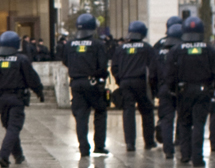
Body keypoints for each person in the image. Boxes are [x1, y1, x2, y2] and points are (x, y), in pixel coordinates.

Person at [166, 16, 215, 168]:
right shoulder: (209, 50)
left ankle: (185, 155)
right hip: (203, 91)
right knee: (199, 124)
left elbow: (170, 73)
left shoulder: (176, 50)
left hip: (183, 91)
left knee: (184, 123)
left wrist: (172, 90)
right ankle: (197, 158)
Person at [0, 31, 45, 168]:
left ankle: (18, 155)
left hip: (1, 99)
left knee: (9, 127)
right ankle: (3, 155)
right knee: (14, 127)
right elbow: (31, 78)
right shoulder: (21, 59)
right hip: (17, 98)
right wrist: (39, 91)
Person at [63, 13, 110, 157]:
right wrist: (102, 75)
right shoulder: (97, 44)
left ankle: (83, 148)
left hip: (76, 83)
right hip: (93, 83)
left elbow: (65, 61)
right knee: (100, 112)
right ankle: (99, 145)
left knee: (81, 117)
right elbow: (103, 66)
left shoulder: (70, 44)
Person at [111, 21, 156, 152]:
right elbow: (153, 67)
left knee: (128, 112)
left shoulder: (120, 49)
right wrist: (152, 84)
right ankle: (149, 141)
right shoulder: (146, 47)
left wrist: (120, 80)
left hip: (125, 82)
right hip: (141, 82)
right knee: (147, 111)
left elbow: (114, 67)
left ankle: (130, 143)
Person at [153, 21, 183, 158]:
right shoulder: (182, 49)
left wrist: (155, 90)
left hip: (163, 87)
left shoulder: (159, 48)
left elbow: (152, 72)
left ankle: (168, 149)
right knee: (182, 117)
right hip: (180, 87)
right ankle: (181, 143)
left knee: (166, 119)